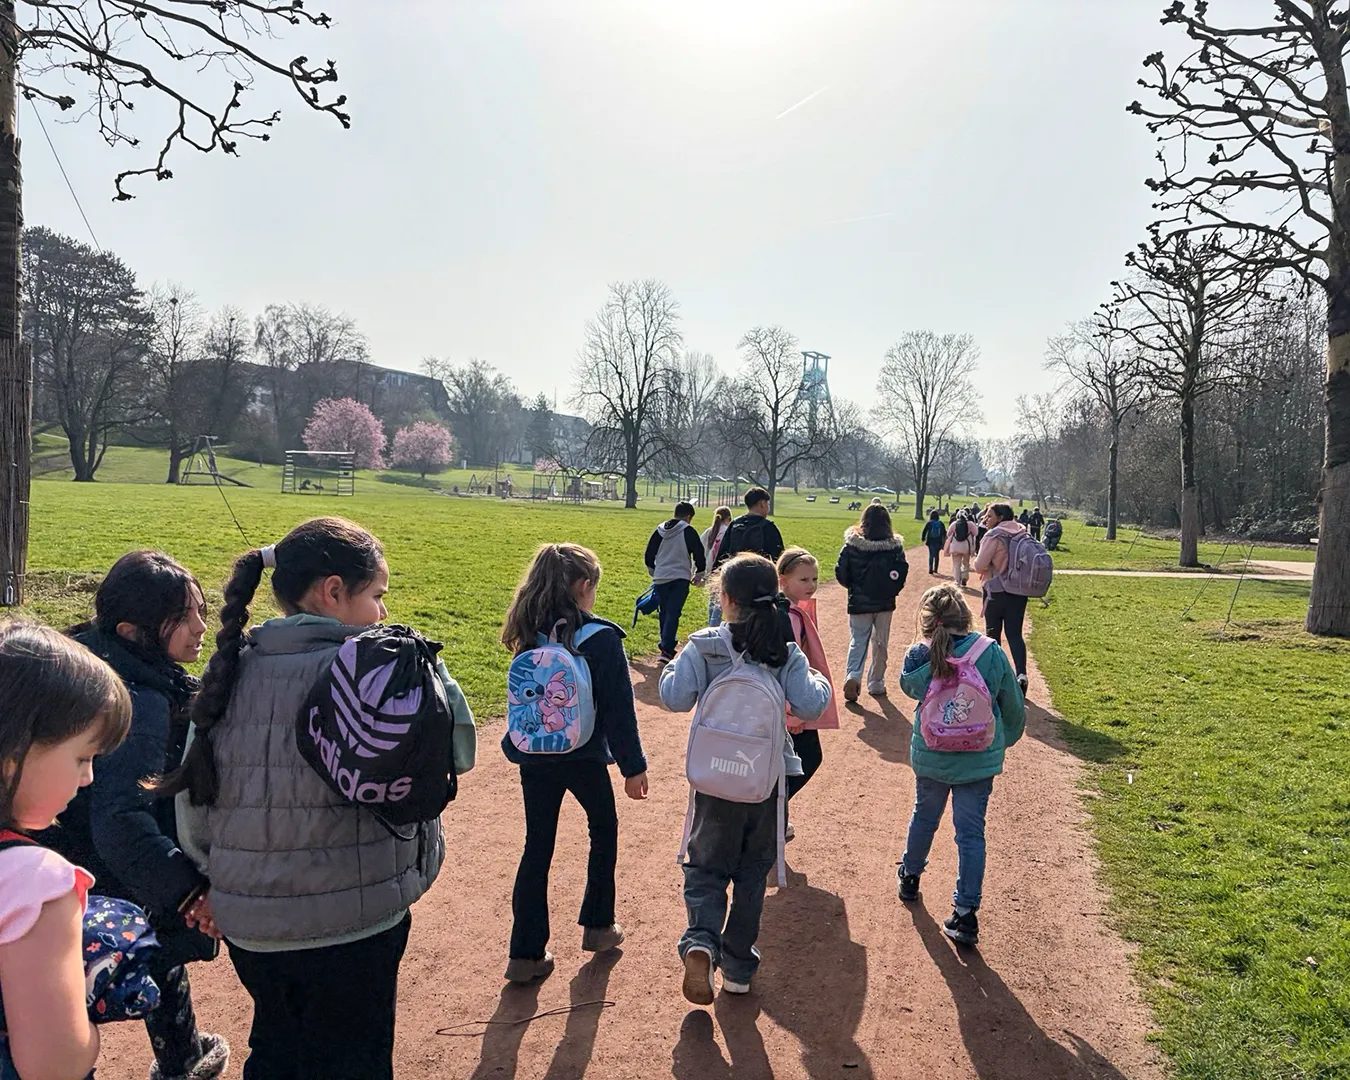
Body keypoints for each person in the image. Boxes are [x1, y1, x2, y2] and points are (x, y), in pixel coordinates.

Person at [162, 517, 477, 1080]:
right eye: (376, 596)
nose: (383, 612)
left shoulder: (229, 668)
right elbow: (457, 753)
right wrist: (426, 669)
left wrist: (219, 881)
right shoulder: (383, 670)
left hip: (252, 928)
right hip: (355, 923)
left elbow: (195, 800)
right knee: (356, 1057)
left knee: (277, 1049)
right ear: (333, 591)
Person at [38, 552, 228, 1080]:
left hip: (64, 844)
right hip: (103, 858)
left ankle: (183, 1054)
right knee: (133, 950)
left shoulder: (89, 657)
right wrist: (190, 892)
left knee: (152, 947)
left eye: (200, 611)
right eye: (183, 618)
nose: (201, 627)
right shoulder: (138, 699)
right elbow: (121, 819)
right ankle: (175, 1058)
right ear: (132, 631)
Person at [660, 555, 832, 1002]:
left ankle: (701, 940)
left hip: (713, 780)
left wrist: (674, 665)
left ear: (725, 598)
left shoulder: (704, 646)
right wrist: (818, 679)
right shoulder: (783, 651)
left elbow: (675, 698)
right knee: (752, 874)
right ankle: (737, 968)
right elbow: (811, 705)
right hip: (765, 780)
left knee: (705, 865)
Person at [500, 543, 649, 984]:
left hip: (535, 753)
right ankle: (598, 925)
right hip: (584, 755)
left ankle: (525, 952)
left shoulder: (529, 630)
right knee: (603, 829)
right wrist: (632, 766)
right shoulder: (600, 638)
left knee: (537, 846)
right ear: (584, 586)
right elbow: (619, 711)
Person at [0, 621, 132, 1080]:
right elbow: (54, 1065)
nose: (88, 777)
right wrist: (88, 1018)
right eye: (82, 757)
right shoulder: (35, 880)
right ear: (13, 757)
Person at [897, 584, 1025, 947]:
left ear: (927, 620)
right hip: (978, 758)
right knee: (971, 834)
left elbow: (909, 688)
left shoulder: (920, 654)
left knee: (924, 817)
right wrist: (1002, 740)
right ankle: (966, 912)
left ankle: (910, 874)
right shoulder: (990, 652)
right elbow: (1012, 704)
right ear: (966, 616)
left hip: (933, 755)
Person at [777, 549, 839, 830]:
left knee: (790, 762)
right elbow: (788, 666)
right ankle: (771, 813)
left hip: (791, 701)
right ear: (783, 580)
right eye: (803, 579)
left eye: (814, 578)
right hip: (792, 704)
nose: (811, 585)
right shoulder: (788, 615)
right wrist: (792, 711)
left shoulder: (794, 609)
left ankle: (775, 814)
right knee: (807, 758)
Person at [834, 504, 909, 703]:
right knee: (881, 642)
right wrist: (892, 590)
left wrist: (853, 587)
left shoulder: (852, 545)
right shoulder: (894, 547)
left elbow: (841, 572)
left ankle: (853, 675)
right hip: (885, 602)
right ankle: (876, 682)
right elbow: (902, 572)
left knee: (858, 640)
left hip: (859, 603)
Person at [972, 502, 1031, 695]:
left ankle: (997, 679)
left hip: (996, 591)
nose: (985, 519)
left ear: (1000, 517)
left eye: (989, 516)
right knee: (1015, 635)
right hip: (1019, 592)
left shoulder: (993, 536)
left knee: (993, 636)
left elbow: (979, 565)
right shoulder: (1023, 532)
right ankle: (1021, 675)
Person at [644, 502, 706, 662]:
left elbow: (649, 554)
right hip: (680, 577)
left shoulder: (659, 530)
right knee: (673, 612)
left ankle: (665, 644)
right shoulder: (688, 531)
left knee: (664, 612)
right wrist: (699, 573)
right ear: (688, 517)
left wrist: (654, 571)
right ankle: (666, 648)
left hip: (661, 577)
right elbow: (699, 553)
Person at [713, 487, 785, 569]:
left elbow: (722, 554)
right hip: (761, 573)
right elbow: (779, 558)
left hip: (735, 572)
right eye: (767, 503)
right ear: (762, 504)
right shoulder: (768, 527)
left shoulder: (735, 524)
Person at [700, 506, 733, 626]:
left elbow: (701, 549)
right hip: (721, 569)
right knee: (720, 600)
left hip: (709, 568)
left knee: (713, 598)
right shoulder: (728, 532)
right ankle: (714, 624)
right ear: (728, 518)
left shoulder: (709, 531)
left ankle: (711, 622)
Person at [945, 511, 976, 588]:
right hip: (966, 547)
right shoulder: (970, 524)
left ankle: (957, 580)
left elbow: (948, 534)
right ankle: (964, 577)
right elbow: (976, 533)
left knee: (956, 564)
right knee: (966, 563)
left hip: (955, 547)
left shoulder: (954, 524)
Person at [920, 509, 947, 575]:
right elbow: (944, 533)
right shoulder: (940, 523)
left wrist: (923, 538)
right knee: (937, 555)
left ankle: (930, 569)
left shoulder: (929, 523)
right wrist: (943, 542)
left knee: (931, 555)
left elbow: (924, 531)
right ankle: (935, 569)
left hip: (930, 541)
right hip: (938, 541)